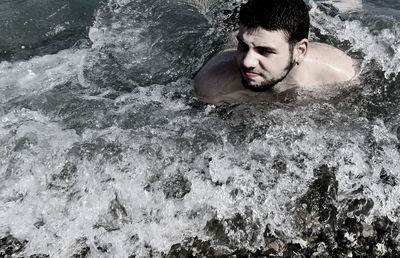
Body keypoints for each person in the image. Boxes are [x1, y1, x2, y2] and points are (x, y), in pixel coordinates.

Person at [194, 0, 359, 105]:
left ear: (300, 51)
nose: (247, 62)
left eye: (264, 51)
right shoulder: (212, 86)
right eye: (243, 45)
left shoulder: (340, 75)